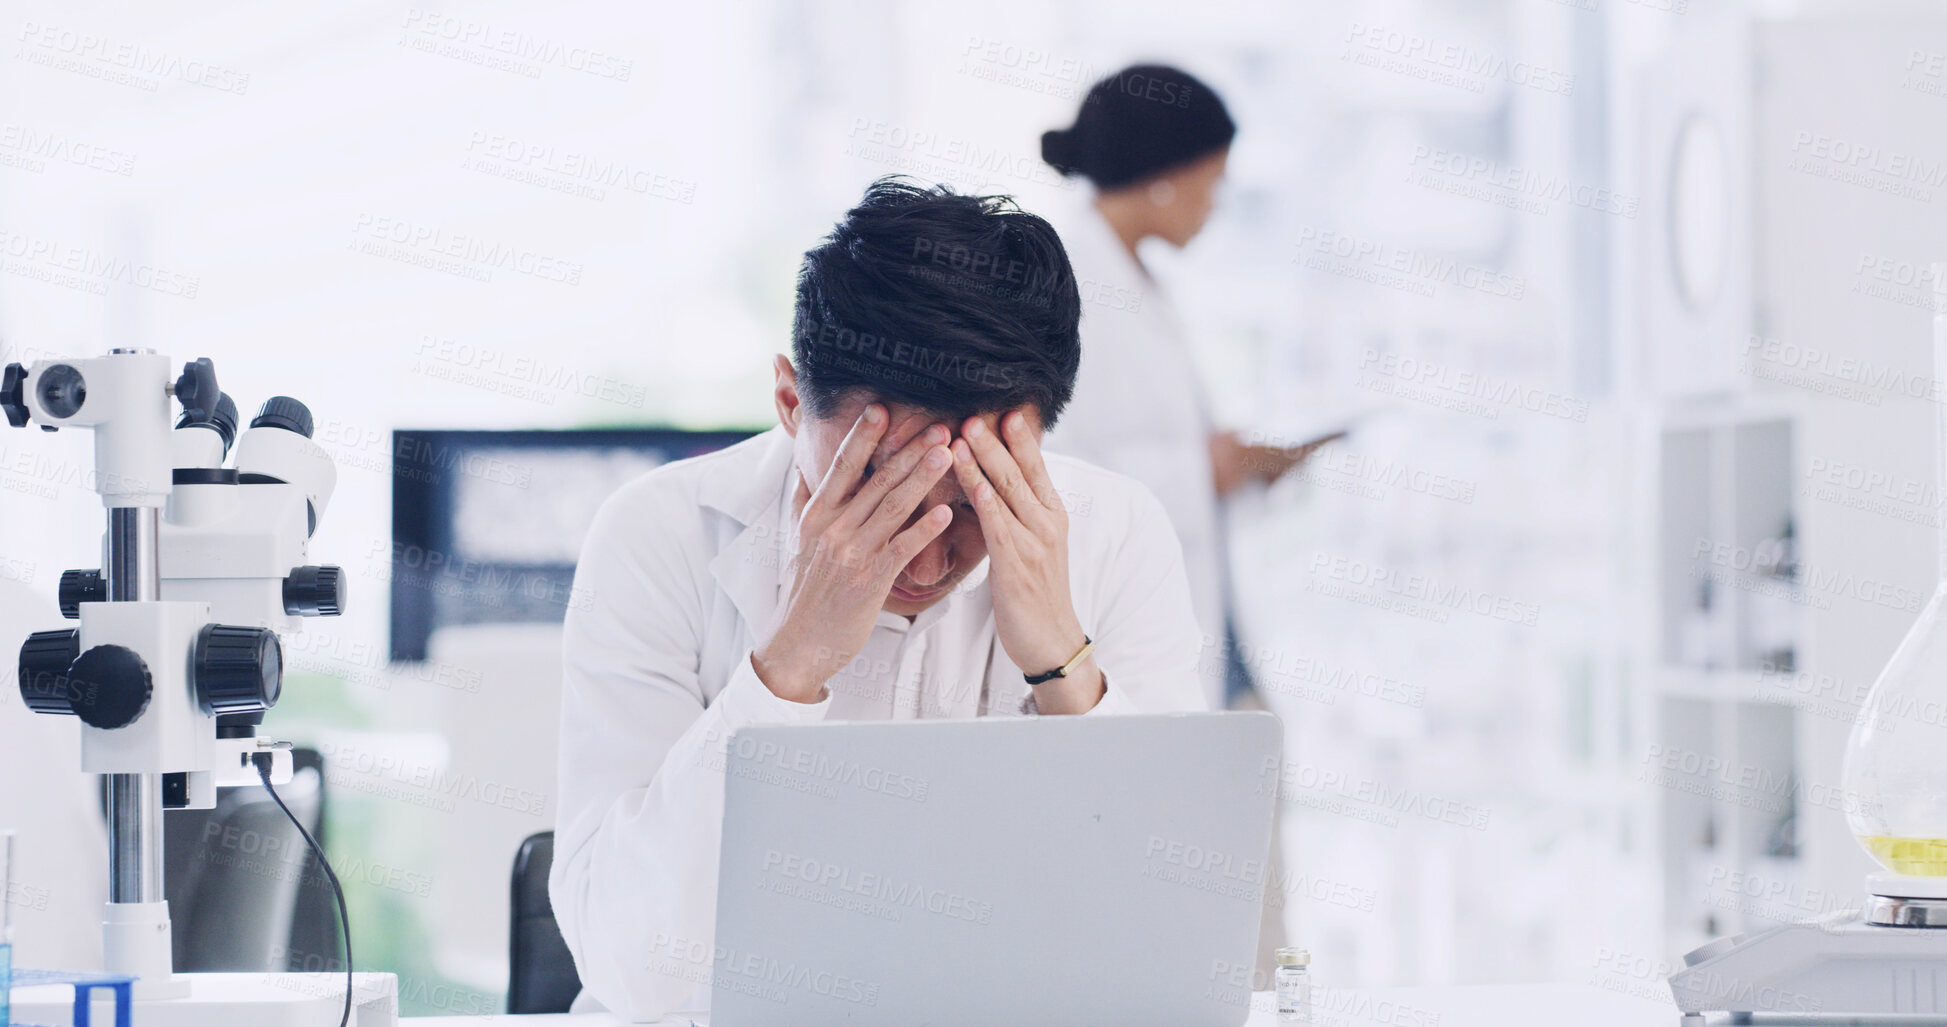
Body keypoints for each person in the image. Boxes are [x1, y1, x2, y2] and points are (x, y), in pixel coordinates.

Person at [550, 178, 1207, 1019]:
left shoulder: (1118, 534)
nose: (927, 555)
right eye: (880, 489)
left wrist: (1061, 661)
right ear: (791, 403)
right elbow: (630, 969)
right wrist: (787, 668)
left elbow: (1167, 950)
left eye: (972, 500)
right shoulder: (658, 538)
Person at [1042, 64, 1341, 711]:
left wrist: (1241, 467)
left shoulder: (1139, 282)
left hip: (1198, 607)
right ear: (1164, 177)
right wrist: (1203, 470)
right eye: (1214, 182)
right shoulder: (1066, 285)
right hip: (1111, 628)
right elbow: (1054, 468)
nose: (1216, 203)